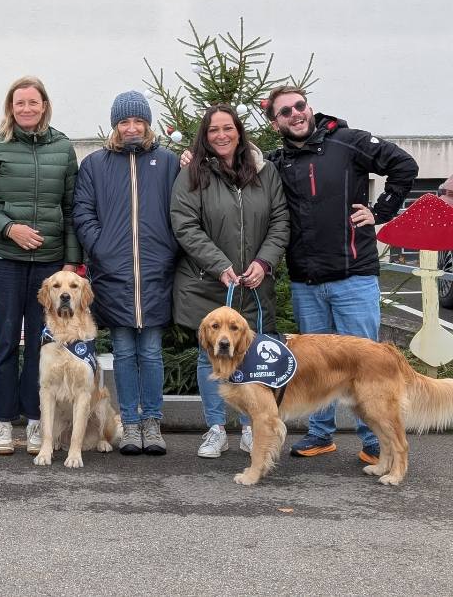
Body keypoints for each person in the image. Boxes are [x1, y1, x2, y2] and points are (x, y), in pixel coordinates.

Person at [263, 86, 418, 463]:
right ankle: (321, 435)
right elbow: (236, 168)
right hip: (306, 282)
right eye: (285, 112)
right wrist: (191, 156)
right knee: (316, 367)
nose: (295, 114)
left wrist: (381, 211)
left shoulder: (349, 142)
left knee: (365, 366)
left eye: (300, 106)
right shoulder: (276, 162)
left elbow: (405, 165)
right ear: (275, 123)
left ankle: (374, 441)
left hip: (353, 277)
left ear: (309, 107)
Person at [0, 76, 82, 455]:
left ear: (44, 106)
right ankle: (2, 422)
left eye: (33, 102)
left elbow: (71, 208)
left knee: (40, 344)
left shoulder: (63, 148)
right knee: (4, 343)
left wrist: (71, 261)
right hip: (4, 260)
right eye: (20, 103)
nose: (27, 109)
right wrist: (9, 228)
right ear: (10, 108)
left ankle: (35, 421)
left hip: (49, 266)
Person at [170, 104, 289, 458]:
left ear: (239, 131)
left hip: (253, 285)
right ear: (205, 137)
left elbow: (280, 220)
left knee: (252, 356)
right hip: (208, 282)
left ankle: (252, 428)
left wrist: (264, 262)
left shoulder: (265, 171)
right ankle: (216, 429)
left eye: (227, 128)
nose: (221, 135)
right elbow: (184, 225)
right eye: (213, 130)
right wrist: (219, 264)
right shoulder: (192, 173)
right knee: (209, 356)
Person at [73, 90, 180, 456]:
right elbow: (83, 212)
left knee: (150, 352)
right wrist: (101, 247)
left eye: (138, 121)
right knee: (122, 351)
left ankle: (152, 421)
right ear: (115, 126)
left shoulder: (168, 163)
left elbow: (181, 210)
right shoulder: (95, 164)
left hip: (155, 273)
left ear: (147, 124)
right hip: (113, 275)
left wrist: (168, 250)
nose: (131, 127)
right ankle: (129, 424)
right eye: (124, 121)